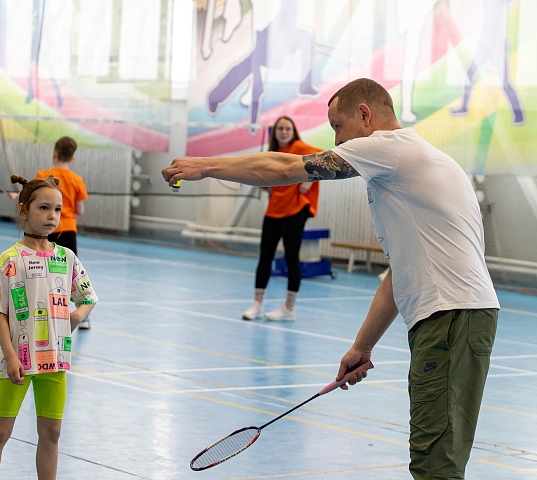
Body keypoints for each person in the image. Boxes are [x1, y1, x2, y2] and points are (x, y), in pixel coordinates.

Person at [162, 78, 499, 479]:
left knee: (434, 463)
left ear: (364, 115)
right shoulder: (416, 167)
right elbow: (399, 275)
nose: (336, 139)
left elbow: (288, 167)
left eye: (337, 126)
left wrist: (207, 166)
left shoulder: (389, 148)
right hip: (459, 316)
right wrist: (363, 346)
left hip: (450, 318)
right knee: (435, 454)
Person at [0, 174, 97, 480]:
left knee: (52, 433)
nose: (52, 216)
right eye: (44, 208)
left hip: (55, 360)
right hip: (16, 359)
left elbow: (88, 297)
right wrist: (12, 355)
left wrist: (77, 316)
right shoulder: (11, 259)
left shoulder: (66, 258)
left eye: (57, 210)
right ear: (23, 211)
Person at [242, 116, 321, 321]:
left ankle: (289, 308)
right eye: (280, 129)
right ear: (275, 132)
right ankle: (257, 304)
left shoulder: (300, 147)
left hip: (295, 210)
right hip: (274, 210)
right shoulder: (273, 154)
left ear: (293, 131)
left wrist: (310, 181)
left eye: (287, 128)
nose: (284, 132)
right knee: (265, 256)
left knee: (291, 257)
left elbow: (321, 157)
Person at [36, 136, 91, 328]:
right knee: (70, 274)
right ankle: (82, 315)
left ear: (54, 153)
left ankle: (44, 311)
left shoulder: (43, 175)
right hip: (68, 230)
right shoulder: (77, 180)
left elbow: (35, 199)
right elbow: (81, 210)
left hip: (47, 230)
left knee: (45, 271)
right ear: (72, 158)